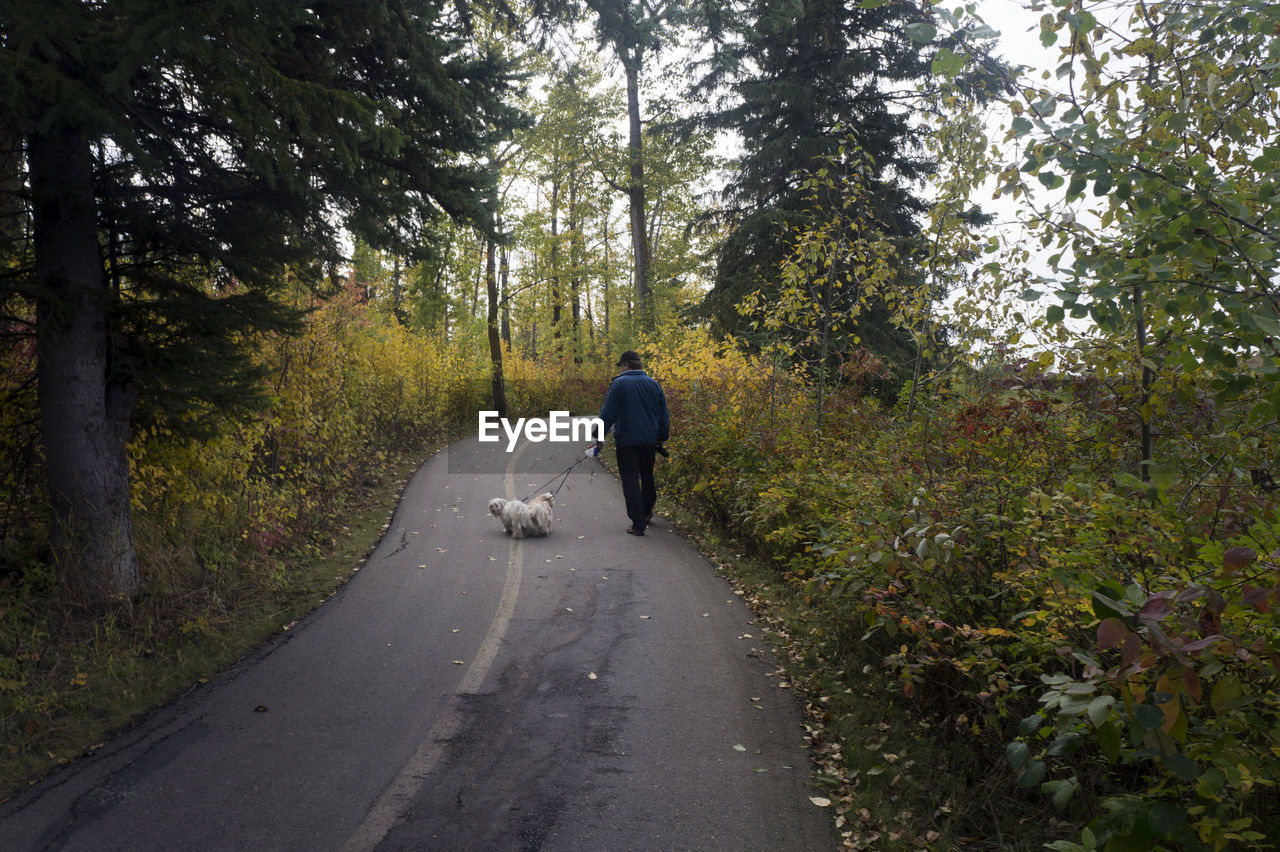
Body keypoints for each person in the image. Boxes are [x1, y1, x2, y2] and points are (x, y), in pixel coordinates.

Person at [596, 350, 669, 536]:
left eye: (621, 366)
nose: (620, 370)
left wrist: (598, 437)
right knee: (647, 476)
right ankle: (645, 513)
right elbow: (663, 414)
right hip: (649, 441)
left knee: (630, 480)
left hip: (627, 441)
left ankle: (638, 524)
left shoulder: (619, 384)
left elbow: (608, 413)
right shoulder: (654, 385)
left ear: (626, 365)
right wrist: (662, 437)